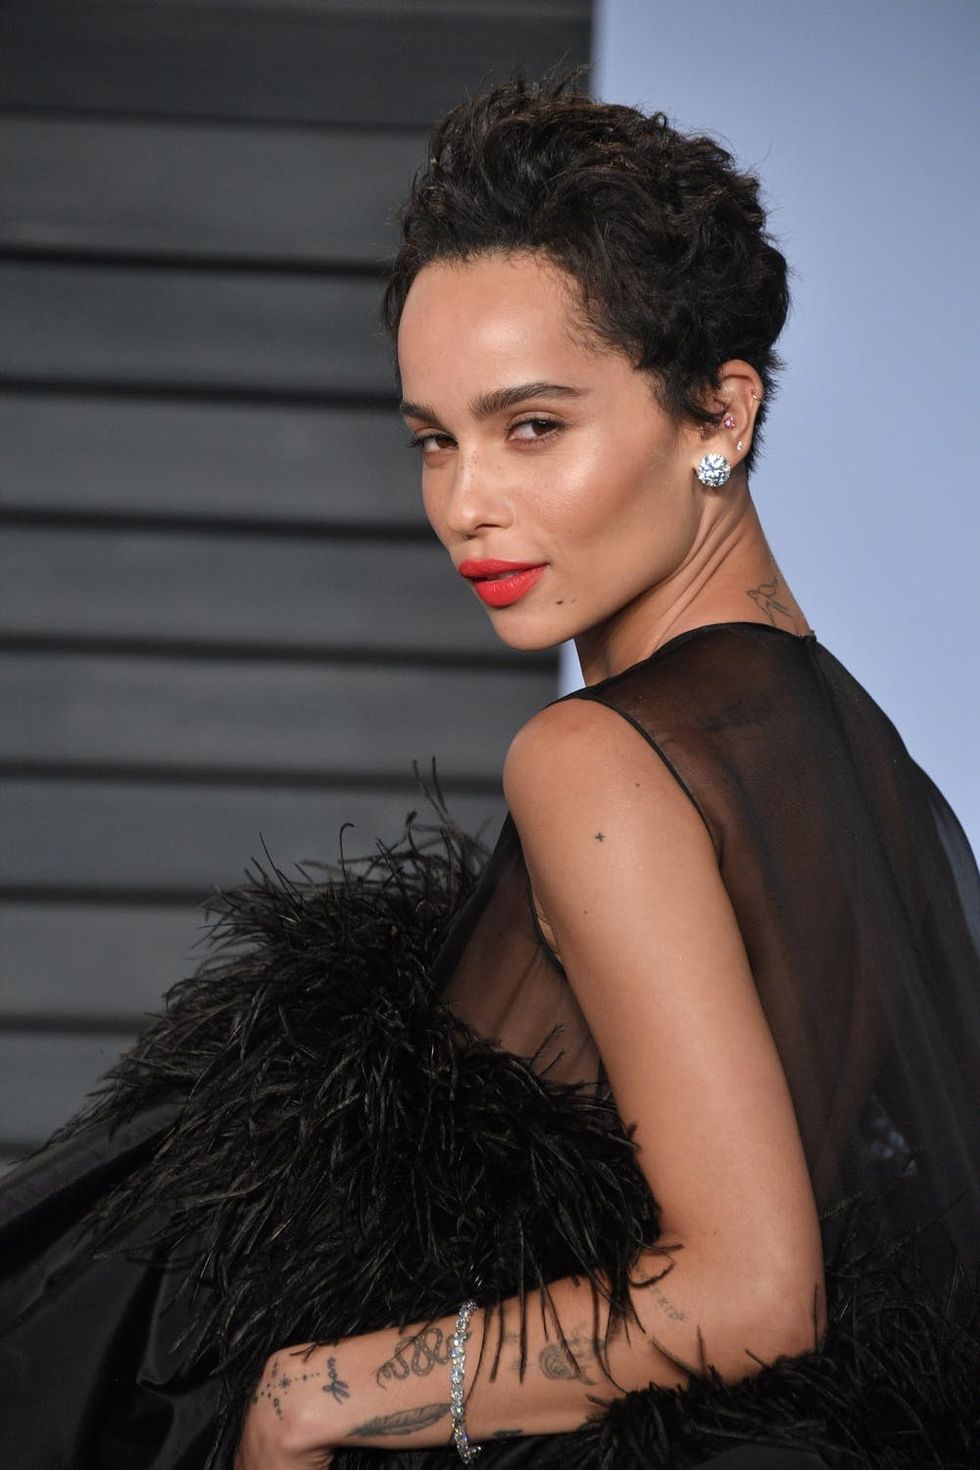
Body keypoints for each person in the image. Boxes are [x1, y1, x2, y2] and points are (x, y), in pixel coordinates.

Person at [0, 73, 977, 1470]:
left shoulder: (596, 755)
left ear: (719, 414)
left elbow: (755, 1292)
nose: (465, 505)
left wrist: (321, 1392)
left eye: (532, 427)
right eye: (433, 441)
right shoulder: (861, 759)